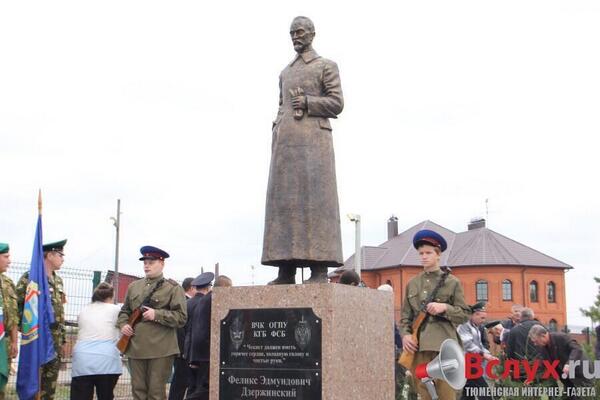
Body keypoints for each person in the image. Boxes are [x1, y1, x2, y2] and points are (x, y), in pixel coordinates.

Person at [262, 16, 345, 285]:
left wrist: (308, 102)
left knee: (315, 205)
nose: (295, 37)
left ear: (312, 34)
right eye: (291, 34)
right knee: (283, 207)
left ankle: (318, 269)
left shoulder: (325, 66)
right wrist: (276, 130)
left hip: (314, 146)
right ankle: (284, 269)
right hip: (285, 147)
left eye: (299, 32)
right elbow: (281, 105)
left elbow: (336, 103)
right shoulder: (285, 72)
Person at [400, 229, 470, 400]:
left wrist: (444, 307)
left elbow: (464, 315)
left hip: (444, 346)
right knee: (424, 393)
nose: (424, 256)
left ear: (438, 255)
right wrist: (405, 335)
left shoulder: (452, 282)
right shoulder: (413, 283)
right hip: (419, 346)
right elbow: (405, 317)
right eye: (421, 253)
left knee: (446, 394)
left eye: (429, 253)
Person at [117, 246, 187, 400]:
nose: (146, 265)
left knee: (156, 393)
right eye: (145, 262)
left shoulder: (173, 288)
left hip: (161, 349)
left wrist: (157, 314)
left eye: (151, 262)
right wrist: (123, 325)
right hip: (136, 347)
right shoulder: (134, 287)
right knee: (138, 391)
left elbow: (181, 317)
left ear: (162, 264)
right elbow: (124, 311)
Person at [16, 239, 68, 400]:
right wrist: (28, 332)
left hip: (55, 343)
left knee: (49, 390)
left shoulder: (58, 280)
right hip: (36, 342)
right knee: (33, 389)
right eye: (60, 254)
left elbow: (60, 312)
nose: (63, 258)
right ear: (50, 255)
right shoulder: (30, 278)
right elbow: (18, 308)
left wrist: (64, 339)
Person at [70, 282, 122, 400]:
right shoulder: (115, 310)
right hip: (107, 360)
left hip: (82, 360)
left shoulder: (84, 310)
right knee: (106, 396)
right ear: (111, 296)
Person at [529, 325, 593, 399]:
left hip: (581, 374)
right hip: (567, 379)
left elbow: (577, 349)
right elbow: (543, 364)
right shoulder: (542, 348)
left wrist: (569, 364)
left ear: (543, 336)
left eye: (536, 341)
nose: (535, 344)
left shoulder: (561, 337)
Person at [183, 272, 214, 400]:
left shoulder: (187, 303)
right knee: (202, 388)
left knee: (191, 386)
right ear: (208, 287)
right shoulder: (206, 302)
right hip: (202, 353)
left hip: (188, 351)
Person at [457, 302, 498, 400]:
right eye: (482, 318)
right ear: (474, 315)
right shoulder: (464, 325)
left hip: (471, 362)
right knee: (483, 391)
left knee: (468, 392)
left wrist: (489, 355)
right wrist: (484, 354)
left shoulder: (475, 327)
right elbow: (468, 344)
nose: (483, 321)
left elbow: (479, 344)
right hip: (467, 363)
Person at [168, 277, 196, 400]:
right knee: (180, 381)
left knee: (181, 380)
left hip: (180, 348)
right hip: (183, 350)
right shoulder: (185, 303)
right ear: (191, 288)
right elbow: (181, 328)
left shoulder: (183, 302)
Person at [0, 243, 18, 400]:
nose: (9, 261)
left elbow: (13, 317)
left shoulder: (8, 283)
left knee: (1, 388)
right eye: (6, 257)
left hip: (3, 343)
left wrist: (14, 341)